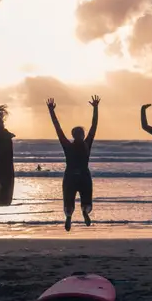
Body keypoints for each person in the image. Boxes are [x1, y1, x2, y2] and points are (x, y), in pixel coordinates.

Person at [47, 95, 100, 231]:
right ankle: (84, 212)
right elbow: (94, 126)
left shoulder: (67, 145)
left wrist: (51, 111)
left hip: (70, 175)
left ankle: (69, 216)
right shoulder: (86, 144)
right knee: (86, 199)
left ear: (73, 135)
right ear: (82, 135)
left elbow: (57, 128)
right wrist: (95, 108)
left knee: (68, 199)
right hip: (84, 175)